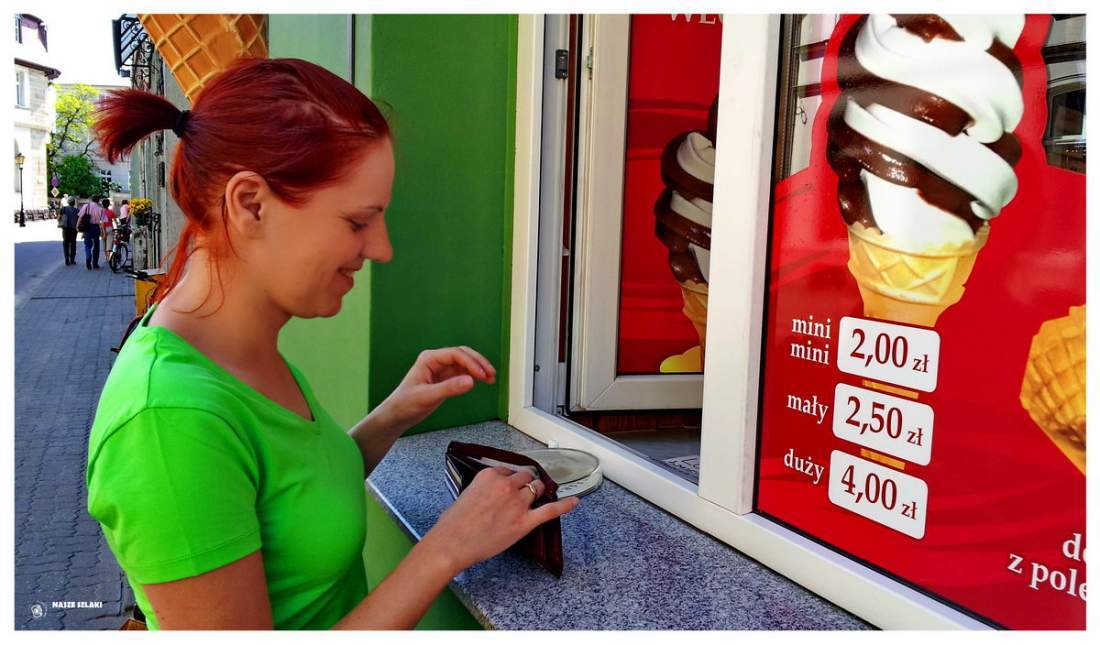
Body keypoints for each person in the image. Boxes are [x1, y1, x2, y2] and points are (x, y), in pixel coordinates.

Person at [86, 57, 579, 631]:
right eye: (357, 221)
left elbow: (293, 502)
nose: (382, 249)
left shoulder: (234, 348)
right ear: (250, 205)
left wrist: (393, 415)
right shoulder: (168, 423)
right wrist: (447, 549)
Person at [76, 196, 107, 269]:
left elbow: (80, 217)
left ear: (91, 200)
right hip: (96, 228)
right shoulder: (101, 209)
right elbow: (102, 222)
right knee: (96, 246)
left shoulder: (86, 206)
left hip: (87, 227)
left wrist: (77, 225)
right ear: (98, 201)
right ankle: (95, 264)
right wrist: (103, 232)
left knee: (88, 245)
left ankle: (88, 258)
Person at [58, 196, 80, 265]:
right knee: (73, 244)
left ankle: (67, 259)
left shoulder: (63, 209)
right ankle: (72, 260)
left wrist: (61, 222)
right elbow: (79, 220)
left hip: (65, 228)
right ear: (74, 203)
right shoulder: (77, 210)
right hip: (74, 229)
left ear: (68, 202)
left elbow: (58, 218)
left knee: (66, 243)